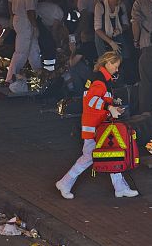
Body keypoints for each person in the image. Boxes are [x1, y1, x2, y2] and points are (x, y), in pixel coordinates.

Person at [55, 52, 139, 199]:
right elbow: (91, 101)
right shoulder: (100, 81)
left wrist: (113, 108)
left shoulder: (99, 79)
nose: (116, 69)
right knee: (91, 156)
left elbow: (94, 101)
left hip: (96, 126)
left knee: (111, 154)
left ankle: (120, 188)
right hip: (95, 127)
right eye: (115, 65)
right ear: (107, 63)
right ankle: (65, 182)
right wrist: (110, 108)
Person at [5, 0, 48, 85]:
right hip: (26, 21)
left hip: (18, 18)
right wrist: (35, 26)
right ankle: (10, 78)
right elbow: (30, 10)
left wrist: (11, 16)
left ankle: (39, 73)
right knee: (21, 51)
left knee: (33, 49)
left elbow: (9, 1)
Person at [94, 0, 135, 84]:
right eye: (117, 0)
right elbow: (97, 29)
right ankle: (105, 83)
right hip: (102, 37)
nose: (119, 2)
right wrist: (111, 42)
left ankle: (122, 83)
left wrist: (119, 30)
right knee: (105, 61)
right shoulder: (100, 6)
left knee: (125, 56)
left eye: (120, 0)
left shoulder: (121, 6)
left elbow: (126, 24)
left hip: (117, 35)